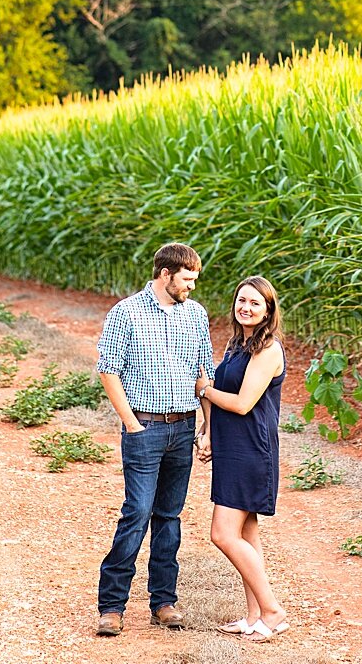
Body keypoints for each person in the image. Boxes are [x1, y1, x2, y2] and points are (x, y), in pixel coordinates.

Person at [94, 241, 216, 637]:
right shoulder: (126, 313)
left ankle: (163, 602)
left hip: (182, 429)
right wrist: (131, 423)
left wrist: (207, 428)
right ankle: (111, 607)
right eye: (187, 280)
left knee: (170, 517)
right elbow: (108, 370)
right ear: (166, 275)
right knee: (137, 514)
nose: (192, 287)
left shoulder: (196, 315)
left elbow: (205, 374)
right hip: (144, 427)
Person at [195, 275, 290, 642]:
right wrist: (208, 435)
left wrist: (203, 387)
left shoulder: (268, 350)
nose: (245, 307)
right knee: (247, 533)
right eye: (241, 300)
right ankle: (254, 616)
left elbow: (241, 403)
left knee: (222, 534)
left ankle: (273, 610)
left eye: (255, 303)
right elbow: (224, 401)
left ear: (268, 311)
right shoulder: (239, 344)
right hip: (233, 447)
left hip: (253, 450)